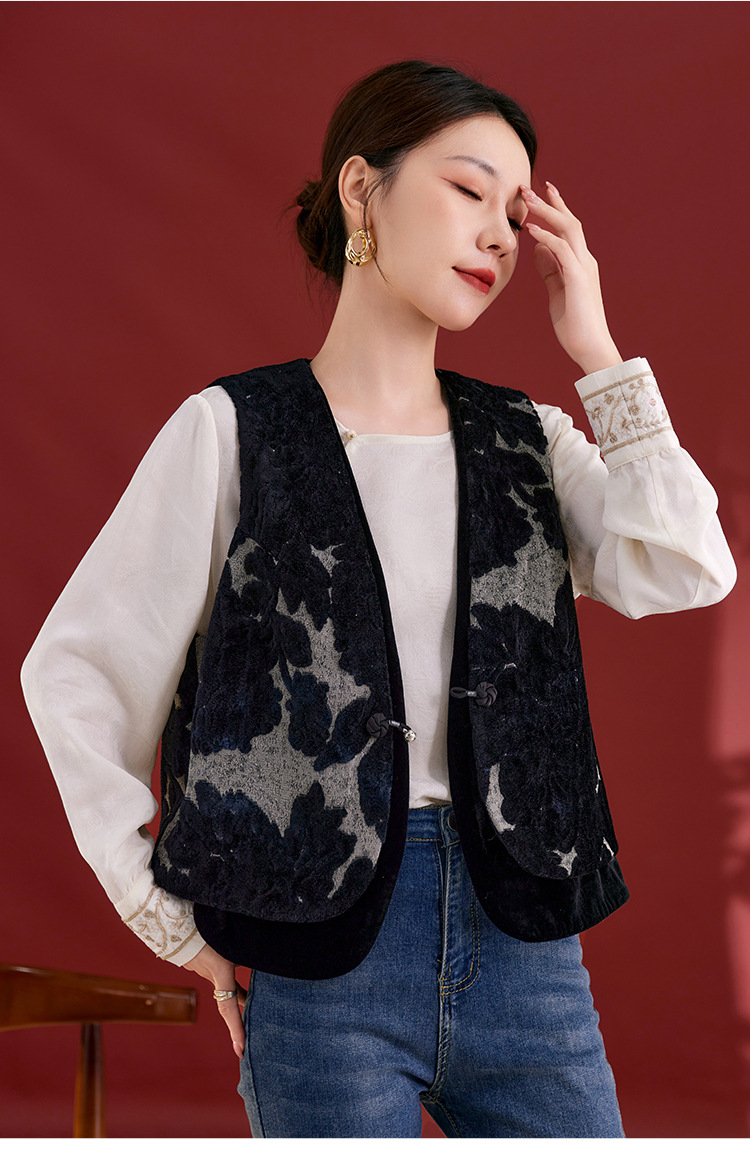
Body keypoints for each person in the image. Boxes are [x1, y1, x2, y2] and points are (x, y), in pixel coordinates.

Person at [21, 60, 736, 1139]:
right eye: (469, 188)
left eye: (516, 212)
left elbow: (689, 567)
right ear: (362, 189)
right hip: (318, 952)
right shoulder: (231, 431)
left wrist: (596, 350)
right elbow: (77, 671)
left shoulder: (527, 440)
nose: (499, 234)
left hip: (526, 944)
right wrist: (169, 918)